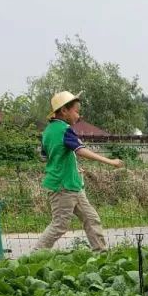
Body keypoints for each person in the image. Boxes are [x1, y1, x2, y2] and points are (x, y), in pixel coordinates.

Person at [35, 92, 123, 252]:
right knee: (59, 225)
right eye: (76, 111)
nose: (78, 115)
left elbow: (46, 156)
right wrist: (111, 162)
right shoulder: (64, 129)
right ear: (64, 111)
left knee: (91, 219)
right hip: (63, 187)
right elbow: (80, 150)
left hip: (72, 184)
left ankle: (101, 254)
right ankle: (34, 256)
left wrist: (72, 167)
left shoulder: (47, 131)